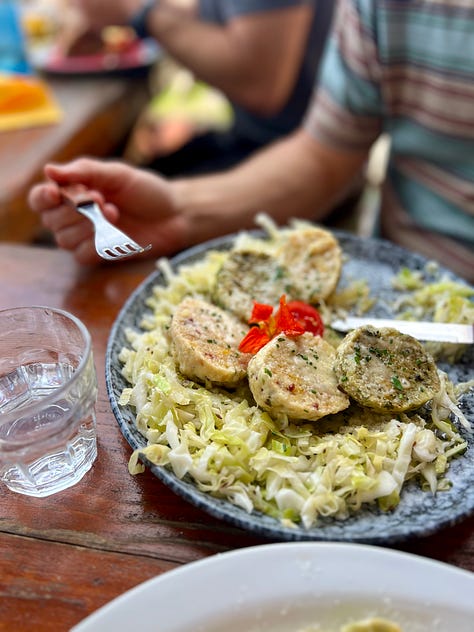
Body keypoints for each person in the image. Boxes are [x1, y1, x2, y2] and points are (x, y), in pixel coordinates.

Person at [29, 0, 474, 282]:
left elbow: (261, 81)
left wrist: (138, 12)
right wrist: (179, 210)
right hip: (400, 290)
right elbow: (324, 157)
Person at [65, 0, 335, 175]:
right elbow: (218, 15)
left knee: (108, 217)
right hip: (261, 143)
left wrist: (138, 12)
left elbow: (259, 85)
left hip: (297, 163)